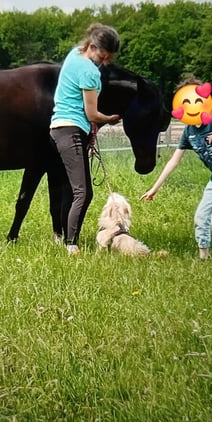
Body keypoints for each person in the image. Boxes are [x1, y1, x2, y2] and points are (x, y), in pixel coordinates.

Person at [140, 76, 212, 264]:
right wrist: (154, 189)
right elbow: (173, 161)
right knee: (200, 217)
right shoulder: (189, 131)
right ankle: (203, 257)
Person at [50, 23, 121, 255]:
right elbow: (91, 114)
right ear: (91, 46)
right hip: (70, 131)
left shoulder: (74, 54)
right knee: (83, 193)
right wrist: (109, 119)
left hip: (59, 128)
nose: (105, 62)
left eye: (109, 58)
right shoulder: (90, 71)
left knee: (71, 190)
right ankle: (71, 244)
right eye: (103, 55)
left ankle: (61, 237)